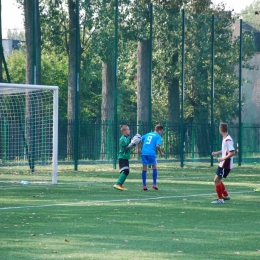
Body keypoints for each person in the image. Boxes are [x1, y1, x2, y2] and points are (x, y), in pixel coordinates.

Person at [211, 123, 235, 204]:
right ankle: (226, 195)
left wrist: (222, 158)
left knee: (216, 180)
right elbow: (226, 150)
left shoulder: (228, 140)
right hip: (224, 163)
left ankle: (220, 199)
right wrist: (217, 153)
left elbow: (232, 152)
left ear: (221, 130)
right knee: (218, 180)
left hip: (226, 164)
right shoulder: (225, 138)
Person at [140, 125, 164, 191]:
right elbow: (157, 146)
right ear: (159, 130)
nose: (161, 133)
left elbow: (139, 139)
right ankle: (154, 184)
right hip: (151, 153)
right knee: (154, 167)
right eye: (161, 131)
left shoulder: (148, 134)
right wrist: (161, 152)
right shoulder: (158, 136)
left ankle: (144, 185)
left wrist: (138, 149)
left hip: (144, 152)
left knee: (144, 169)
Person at [113, 125, 135, 191]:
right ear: (124, 131)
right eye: (128, 129)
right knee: (125, 171)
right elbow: (125, 148)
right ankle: (117, 183)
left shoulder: (128, 137)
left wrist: (135, 141)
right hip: (122, 157)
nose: (129, 130)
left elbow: (132, 142)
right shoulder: (122, 139)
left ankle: (120, 184)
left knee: (126, 171)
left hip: (125, 158)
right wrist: (131, 144)